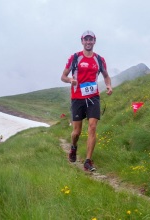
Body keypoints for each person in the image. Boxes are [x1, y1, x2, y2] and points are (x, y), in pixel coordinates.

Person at [61, 30, 112, 171]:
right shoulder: (75, 58)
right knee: (76, 132)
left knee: (92, 127)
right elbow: (63, 76)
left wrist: (108, 86)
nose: (88, 42)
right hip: (77, 98)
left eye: (91, 39)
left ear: (94, 41)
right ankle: (73, 147)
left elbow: (106, 76)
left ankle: (88, 161)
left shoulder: (99, 60)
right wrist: (70, 79)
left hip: (93, 97)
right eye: (86, 39)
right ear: (82, 41)